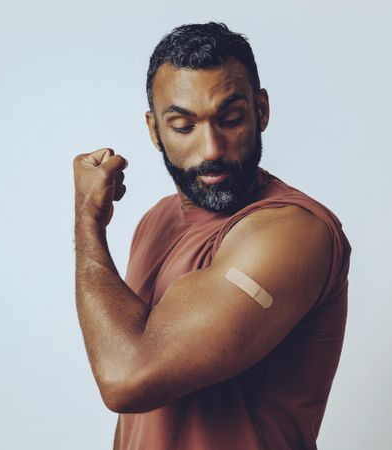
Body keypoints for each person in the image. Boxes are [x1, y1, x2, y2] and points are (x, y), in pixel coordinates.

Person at [72, 22, 350, 450]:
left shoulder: (293, 232)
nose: (212, 148)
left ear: (261, 111)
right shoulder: (156, 221)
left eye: (231, 119)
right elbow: (138, 413)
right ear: (154, 131)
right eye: (184, 126)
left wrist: (89, 217)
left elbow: (126, 379)